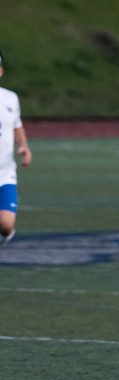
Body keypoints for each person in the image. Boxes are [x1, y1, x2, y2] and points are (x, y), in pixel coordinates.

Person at [0, 51, 32, 246]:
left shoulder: (11, 98)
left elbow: (17, 125)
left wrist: (24, 146)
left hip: (4, 173)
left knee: (5, 225)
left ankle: (5, 236)